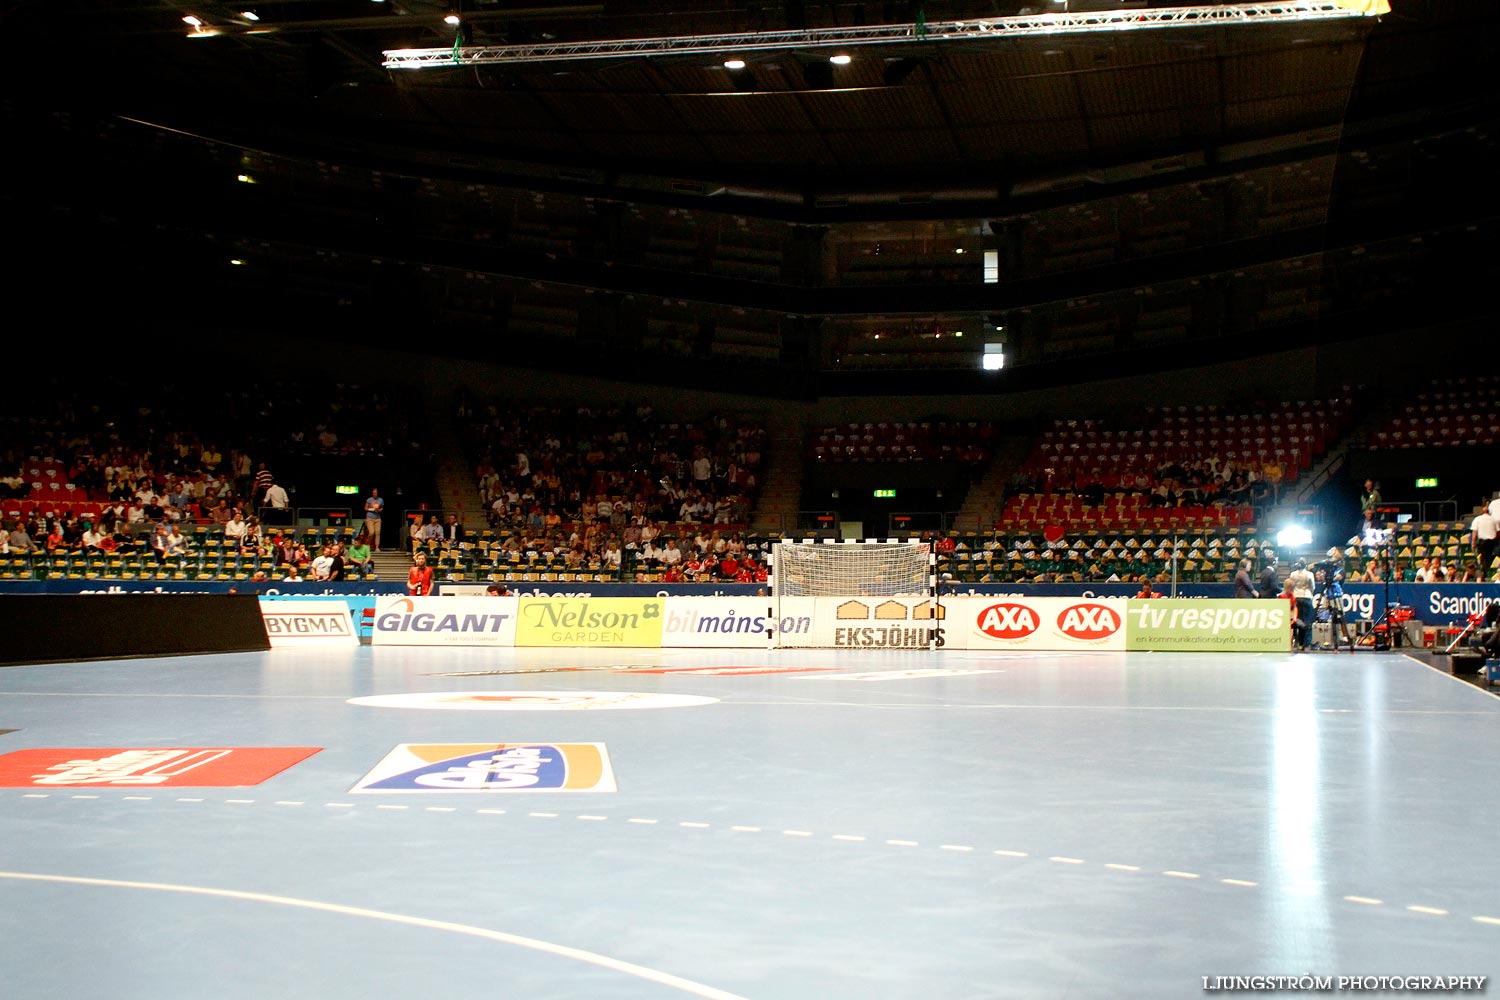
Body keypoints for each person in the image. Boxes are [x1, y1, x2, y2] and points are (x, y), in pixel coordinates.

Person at [1288, 558, 1316, 652]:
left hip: (1296, 597)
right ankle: (1306, 643)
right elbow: (1312, 586)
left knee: (1298, 620)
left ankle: (1298, 643)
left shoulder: (1293, 574)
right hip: (1306, 597)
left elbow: (1291, 586)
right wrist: (1310, 593)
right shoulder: (1309, 574)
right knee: (1307, 621)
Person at [1471, 499, 1497, 580]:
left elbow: (1475, 533)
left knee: (1484, 559)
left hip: (1485, 543)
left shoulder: (1478, 519)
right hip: (1491, 542)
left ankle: (1485, 573)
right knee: (1487, 559)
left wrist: (1473, 543)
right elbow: (1497, 532)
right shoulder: (1493, 520)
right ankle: (1484, 573)